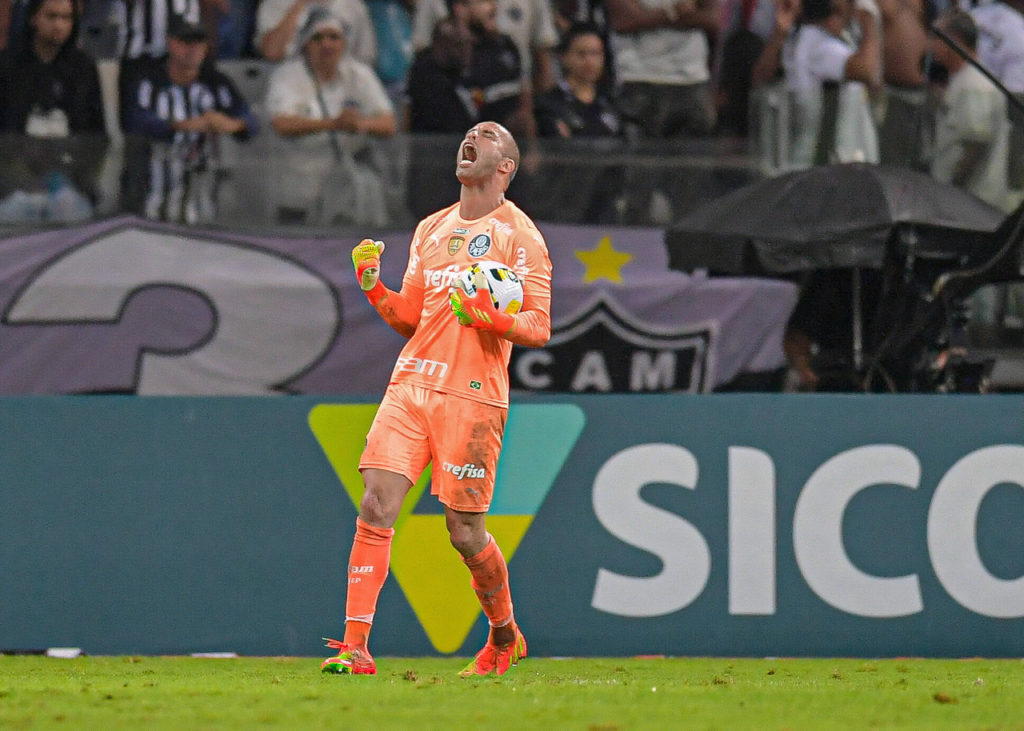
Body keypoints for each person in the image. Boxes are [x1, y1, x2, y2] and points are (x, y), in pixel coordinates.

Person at [320, 120, 552, 678]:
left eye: (488, 134)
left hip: (472, 397)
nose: (471, 136)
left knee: (463, 532)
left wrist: (495, 318)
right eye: (468, 131)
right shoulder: (430, 228)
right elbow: (412, 317)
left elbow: (539, 325)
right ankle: (355, 648)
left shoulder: (520, 236)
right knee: (376, 503)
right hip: (412, 383)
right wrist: (375, 287)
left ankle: (503, 637)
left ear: (505, 168)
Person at [120, 17, 259, 222]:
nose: (193, 49)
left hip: (204, 191)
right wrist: (182, 126)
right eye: (186, 42)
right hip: (154, 190)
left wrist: (232, 124)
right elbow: (135, 120)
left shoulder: (215, 81)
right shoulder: (149, 81)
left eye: (199, 42)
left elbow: (250, 121)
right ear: (170, 43)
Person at [265, 7, 396, 224]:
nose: (326, 44)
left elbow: (389, 124)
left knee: (355, 252)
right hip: (298, 193)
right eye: (317, 38)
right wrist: (333, 124)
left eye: (333, 37)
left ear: (344, 43)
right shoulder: (287, 76)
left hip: (347, 191)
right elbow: (281, 123)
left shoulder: (359, 74)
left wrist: (359, 124)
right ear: (306, 44)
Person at [783, 0, 881, 168]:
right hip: (822, 163)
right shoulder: (817, 43)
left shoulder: (803, 36)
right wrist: (870, 24)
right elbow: (867, 70)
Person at [254, 0, 376, 65]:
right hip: (293, 80)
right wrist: (299, 5)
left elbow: (366, 59)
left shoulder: (354, 5)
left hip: (343, 84)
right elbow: (271, 53)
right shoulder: (276, 3)